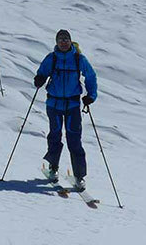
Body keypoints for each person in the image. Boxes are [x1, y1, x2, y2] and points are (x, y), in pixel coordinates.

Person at [33, 29, 98, 188]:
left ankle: (79, 176)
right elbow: (41, 73)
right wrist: (39, 79)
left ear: (70, 41)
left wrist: (91, 95)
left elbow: (90, 76)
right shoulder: (51, 58)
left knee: (74, 140)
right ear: (56, 42)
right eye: (60, 39)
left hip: (73, 105)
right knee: (54, 136)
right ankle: (53, 168)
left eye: (66, 39)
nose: (63, 42)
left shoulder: (78, 59)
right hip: (54, 104)